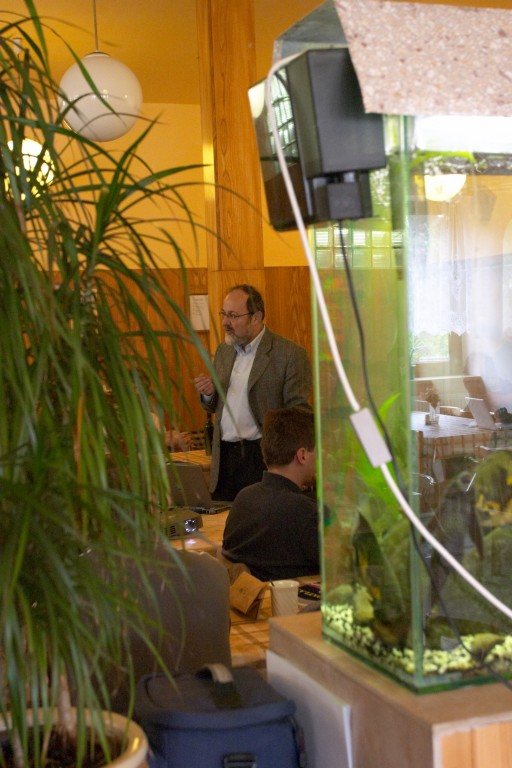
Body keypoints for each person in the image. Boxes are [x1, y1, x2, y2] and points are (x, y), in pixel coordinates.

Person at [193, 284, 312, 500]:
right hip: (224, 458)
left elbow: (299, 414)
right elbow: (213, 406)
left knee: (261, 515)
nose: (225, 322)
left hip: (262, 458)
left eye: (233, 315)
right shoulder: (224, 351)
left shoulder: (289, 355)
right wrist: (209, 394)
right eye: (223, 314)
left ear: (256, 317)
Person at [221, 406, 319, 581]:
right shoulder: (303, 511)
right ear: (302, 455)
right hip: (292, 598)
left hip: (250, 596)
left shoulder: (243, 498)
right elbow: (345, 562)